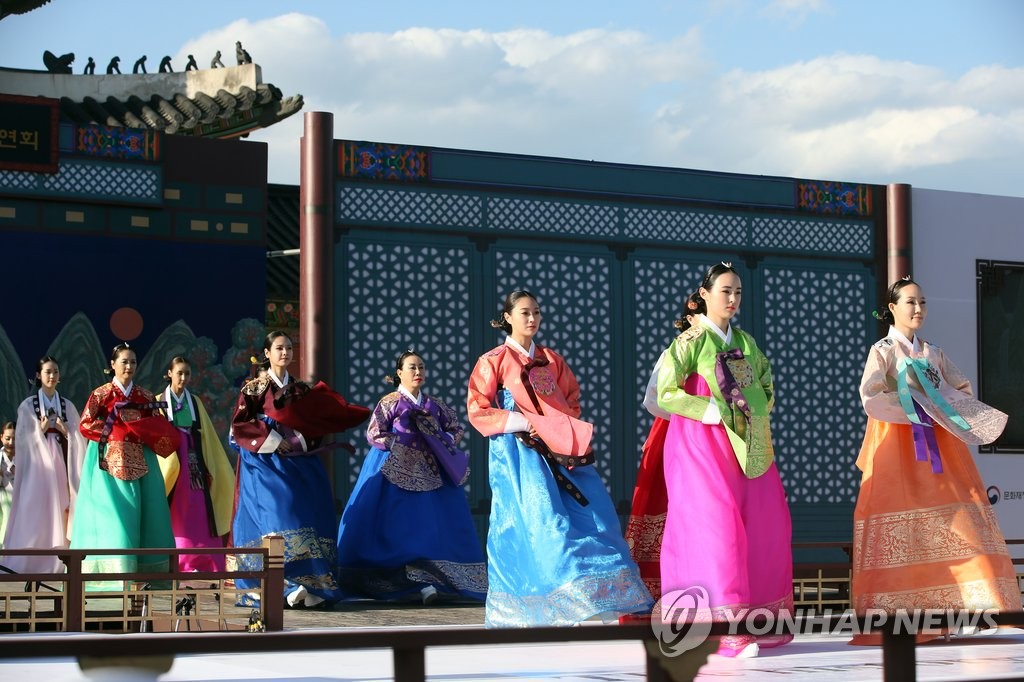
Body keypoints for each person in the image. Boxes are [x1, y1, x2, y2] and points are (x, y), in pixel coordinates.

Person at [467, 290, 652, 627]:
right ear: (507, 317)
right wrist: (523, 422)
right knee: (542, 524)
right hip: (519, 457)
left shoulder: (552, 359)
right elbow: (478, 410)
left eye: (536, 312)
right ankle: (553, 604)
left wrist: (560, 430)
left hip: (563, 454)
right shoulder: (492, 360)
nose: (532, 319)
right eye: (524, 313)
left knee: (597, 517)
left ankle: (597, 598)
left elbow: (571, 400)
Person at [851, 276, 1021, 644]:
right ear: (892, 308)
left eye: (922, 302)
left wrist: (938, 403)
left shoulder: (933, 354)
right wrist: (912, 404)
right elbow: (870, 396)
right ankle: (909, 615)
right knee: (907, 528)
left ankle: (972, 606)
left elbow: (960, 389)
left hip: (941, 447)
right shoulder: (882, 351)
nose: (917, 309)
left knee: (961, 523)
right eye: (910, 302)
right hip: (899, 448)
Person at [654, 263, 792, 658]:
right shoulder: (690, 341)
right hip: (701, 443)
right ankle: (724, 630)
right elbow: (666, 393)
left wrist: (755, 408)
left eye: (738, 293)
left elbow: (766, 385)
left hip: (747, 443)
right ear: (705, 294)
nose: (732, 300)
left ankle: (758, 619)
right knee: (716, 529)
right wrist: (710, 409)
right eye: (726, 291)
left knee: (766, 524)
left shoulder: (745, 343)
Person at [231, 331, 370, 609]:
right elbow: (240, 427)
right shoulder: (254, 389)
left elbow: (314, 425)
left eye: (289, 348)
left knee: (313, 513)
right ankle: (285, 583)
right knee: (279, 518)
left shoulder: (301, 390)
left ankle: (314, 582)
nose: (285, 353)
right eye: (279, 348)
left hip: (299, 461)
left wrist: (300, 439)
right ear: (267, 353)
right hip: (265, 465)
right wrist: (274, 439)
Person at [337, 349, 487, 604]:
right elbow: (374, 433)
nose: (418, 372)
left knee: (432, 526)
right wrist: (399, 443)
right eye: (412, 368)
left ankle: (432, 580)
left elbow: (455, 427)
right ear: (399, 373)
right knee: (396, 526)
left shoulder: (434, 404)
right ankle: (401, 581)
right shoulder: (390, 402)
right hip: (394, 470)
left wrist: (440, 440)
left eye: (421, 367)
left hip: (431, 470)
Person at [71, 342, 179, 588]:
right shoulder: (102, 394)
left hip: (142, 462)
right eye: (124, 362)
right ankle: (113, 577)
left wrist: (150, 432)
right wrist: (114, 429)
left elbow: (156, 427)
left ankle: (148, 574)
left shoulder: (145, 396)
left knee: (147, 517)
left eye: (132, 362)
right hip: (109, 464)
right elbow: (85, 424)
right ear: (112, 365)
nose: (129, 366)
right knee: (115, 520)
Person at [622, 293, 699, 608]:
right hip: (675, 431)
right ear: (690, 318)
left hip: (709, 432)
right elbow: (654, 398)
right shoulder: (678, 349)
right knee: (666, 501)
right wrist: (691, 411)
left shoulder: (726, 350)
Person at [4, 358, 85, 573]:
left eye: (56, 372)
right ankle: (33, 558)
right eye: (48, 372)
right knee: (37, 506)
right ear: (39, 375)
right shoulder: (28, 405)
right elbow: (22, 439)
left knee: (61, 505)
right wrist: (39, 430)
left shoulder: (67, 405)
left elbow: (78, 435)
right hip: (37, 466)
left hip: (61, 461)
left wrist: (64, 429)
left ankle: (59, 559)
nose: (52, 376)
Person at [157, 356, 234, 572]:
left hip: (193, 459)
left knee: (199, 507)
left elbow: (207, 435)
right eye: (179, 373)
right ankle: (180, 561)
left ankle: (205, 560)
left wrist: (211, 465)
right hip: (171, 461)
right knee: (176, 509)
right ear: (169, 373)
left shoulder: (195, 402)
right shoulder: (159, 401)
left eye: (187, 373)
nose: (183, 378)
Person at [0, 422, 16, 550]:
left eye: (15, 439)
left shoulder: (27, 458)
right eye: (7, 438)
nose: (11, 442)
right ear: (1, 437)